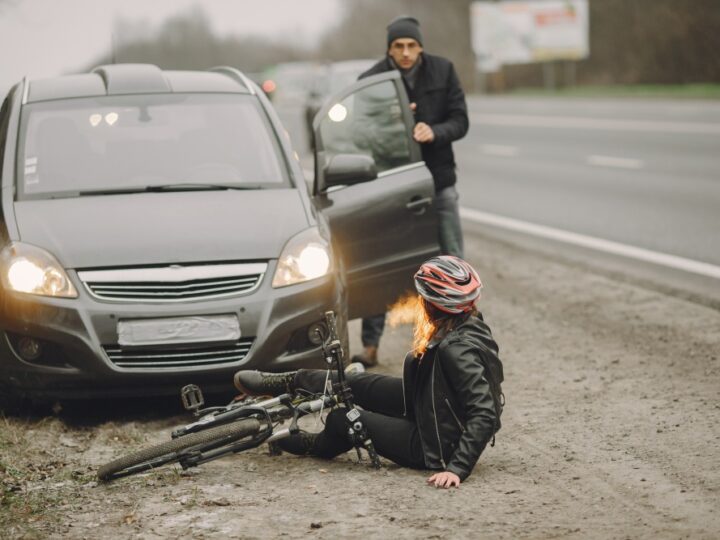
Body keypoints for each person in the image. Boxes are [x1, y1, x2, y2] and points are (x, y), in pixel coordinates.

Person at [234, 256, 503, 488]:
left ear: (436, 304)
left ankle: (313, 444)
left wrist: (456, 469)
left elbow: (485, 411)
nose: (420, 301)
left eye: (424, 297)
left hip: (432, 445)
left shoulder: (457, 350)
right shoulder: (465, 323)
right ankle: (286, 382)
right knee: (354, 382)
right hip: (429, 406)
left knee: (344, 418)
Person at [353, 16, 470, 368]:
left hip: (438, 181)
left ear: (421, 46)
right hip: (389, 185)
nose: (405, 52)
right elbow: (361, 134)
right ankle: (370, 346)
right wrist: (396, 126)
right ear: (388, 48)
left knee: (451, 259)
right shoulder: (370, 81)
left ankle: (461, 335)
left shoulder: (443, 70)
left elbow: (461, 121)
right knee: (379, 262)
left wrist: (433, 131)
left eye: (411, 45)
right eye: (398, 46)